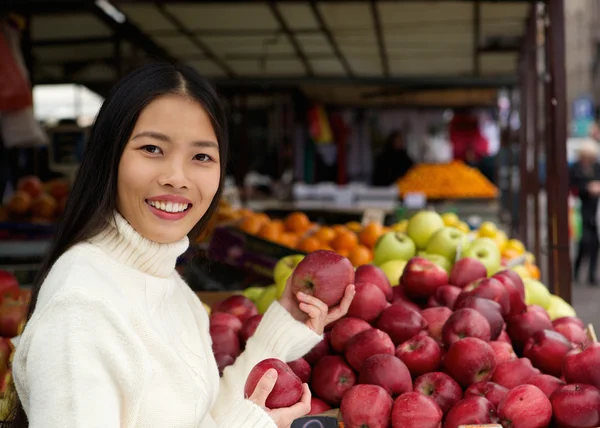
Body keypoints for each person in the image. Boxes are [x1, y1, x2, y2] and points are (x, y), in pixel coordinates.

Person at [7, 63, 355, 428]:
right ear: (108, 157)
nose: (177, 177)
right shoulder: (81, 308)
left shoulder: (175, 293)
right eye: (152, 148)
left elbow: (203, 417)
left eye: (202, 156)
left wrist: (283, 326)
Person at [570, 139, 600, 285]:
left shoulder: (597, 167)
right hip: (581, 208)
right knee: (584, 243)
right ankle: (575, 271)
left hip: (596, 209)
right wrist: (587, 188)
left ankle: (591, 275)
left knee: (595, 244)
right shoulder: (575, 168)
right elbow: (573, 185)